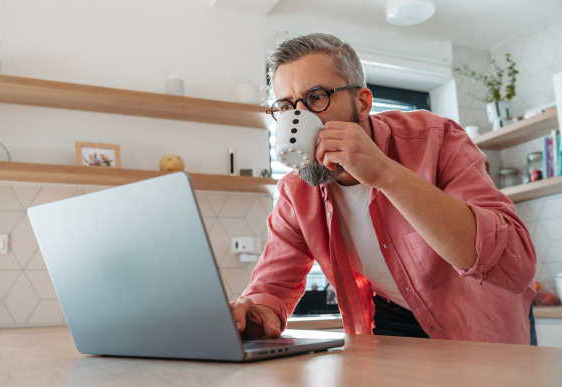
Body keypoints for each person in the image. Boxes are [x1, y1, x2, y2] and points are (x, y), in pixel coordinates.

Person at [230, 33, 537, 345]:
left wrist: (385, 173)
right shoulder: (296, 192)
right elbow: (271, 287)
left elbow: (516, 264)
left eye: (316, 97)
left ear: (362, 103)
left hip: (478, 315)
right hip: (393, 315)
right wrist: (255, 313)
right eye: (285, 106)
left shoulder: (436, 139)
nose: (299, 117)